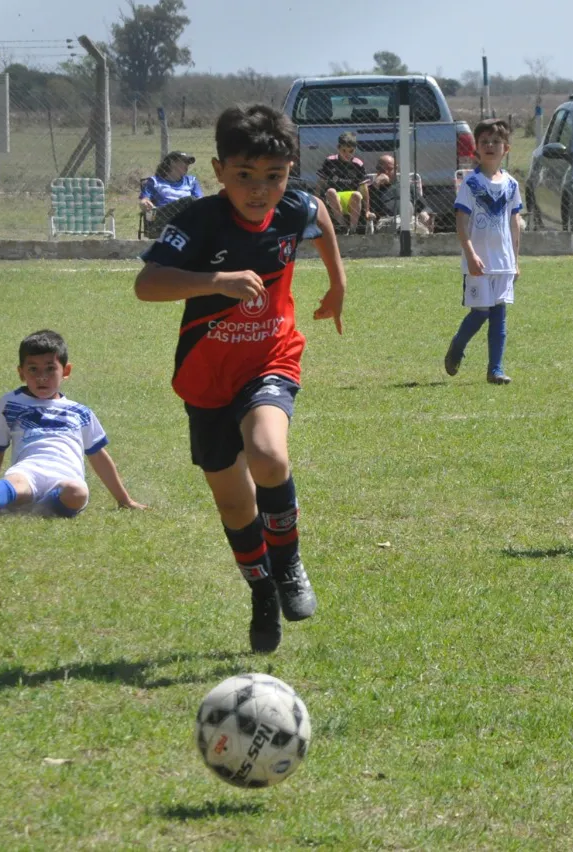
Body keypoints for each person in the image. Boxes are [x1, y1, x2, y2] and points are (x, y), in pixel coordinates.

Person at [133, 103, 347, 654]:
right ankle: (261, 592)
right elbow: (147, 284)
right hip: (205, 378)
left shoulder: (293, 206)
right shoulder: (198, 222)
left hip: (270, 358)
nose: (260, 190)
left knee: (269, 456)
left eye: (274, 177)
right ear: (219, 169)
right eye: (244, 176)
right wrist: (215, 281)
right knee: (234, 504)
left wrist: (338, 285)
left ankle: (290, 563)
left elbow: (320, 216)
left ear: (289, 170)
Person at [0, 329, 148, 519]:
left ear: (66, 370)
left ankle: (36, 508)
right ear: (21, 373)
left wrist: (125, 500)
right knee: (15, 483)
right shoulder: (11, 403)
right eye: (33, 369)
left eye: (50, 368)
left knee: (77, 493)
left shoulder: (80, 412)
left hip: (65, 477)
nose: (41, 377)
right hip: (28, 470)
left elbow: (98, 457)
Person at [444, 118, 522, 385]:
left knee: (499, 314)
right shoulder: (472, 183)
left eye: (496, 142)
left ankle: (495, 370)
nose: (490, 146)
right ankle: (457, 345)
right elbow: (461, 221)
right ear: (476, 149)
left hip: (503, 262)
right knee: (480, 313)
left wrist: (515, 260)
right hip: (478, 262)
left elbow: (514, 222)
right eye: (484, 142)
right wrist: (470, 253)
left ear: (506, 149)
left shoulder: (512, 185)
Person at [314, 131, 370, 235]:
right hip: (335, 197)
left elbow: (364, 188)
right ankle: (343, 226)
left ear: (355, 150)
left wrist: (367, 210)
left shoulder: (358, 164)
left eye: (351, 151)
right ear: (338, 148)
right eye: (344, 150)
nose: (347, 154)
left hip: (351, 198)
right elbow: (321, 183)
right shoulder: (330, 162)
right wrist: (316, 202)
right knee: (330, 191)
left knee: (357, 194)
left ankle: (353, 229)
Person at [368, 153, 434, 234]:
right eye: (381, 169)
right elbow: (368, 209)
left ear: (396, 169)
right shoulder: (372, 189)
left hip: (411, 222)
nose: (386, 172)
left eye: (389, 169)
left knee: (421, 229)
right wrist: (376, 184)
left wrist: (424, 213)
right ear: (377, 170)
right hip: (387, 222)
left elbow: (426, 207)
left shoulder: (407, 186)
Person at [140, 151, 204, 212]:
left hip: (188, 217)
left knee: (190, 200)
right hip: (165, 218)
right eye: (184, 161)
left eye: (188, 163)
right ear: (172, 162)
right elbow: (145, 200)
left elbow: (200, 201)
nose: (187, 165)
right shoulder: (154, 182)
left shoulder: (191, 181)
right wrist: (145, 203)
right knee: (188, 200)